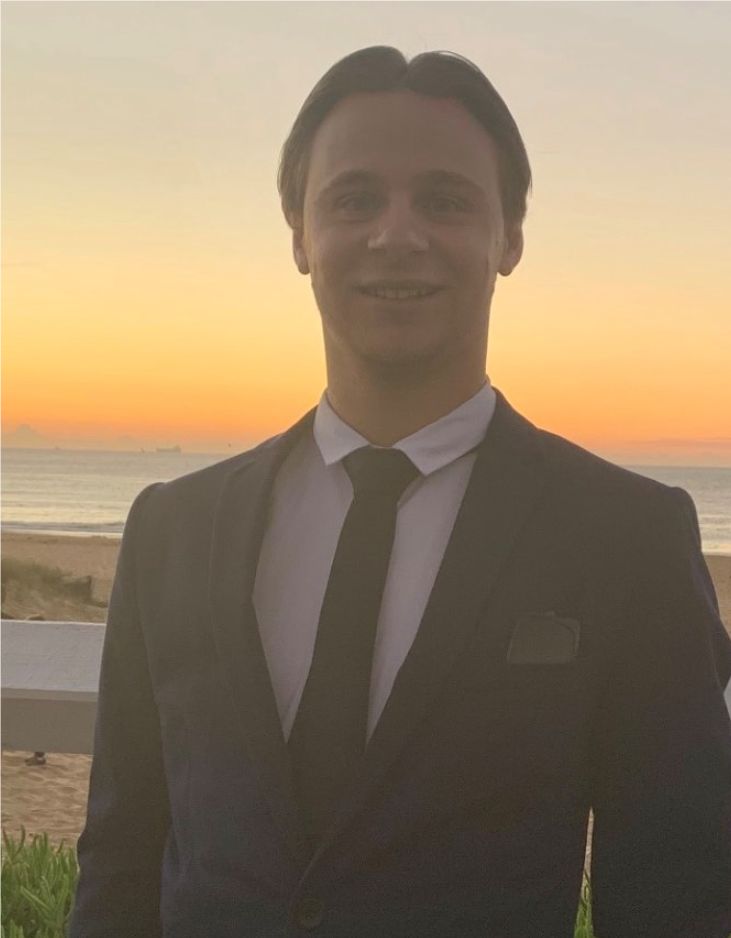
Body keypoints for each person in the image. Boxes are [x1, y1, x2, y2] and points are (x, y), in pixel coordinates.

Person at [70, 47, 731, 937]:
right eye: (353, 200)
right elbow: (121, 856)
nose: (396, 234)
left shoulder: (627, 538)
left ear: (509, 238)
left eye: (445, 200)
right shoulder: (172, 532)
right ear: (300, 234)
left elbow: (672, 888)